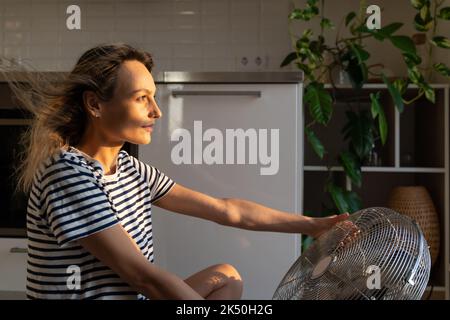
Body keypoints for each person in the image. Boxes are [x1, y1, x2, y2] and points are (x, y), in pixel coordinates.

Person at [6, 43, 349, 300]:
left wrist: (313, 226)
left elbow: (227, 210)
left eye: (154, 97)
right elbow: (144, 278)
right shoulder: (68, 173)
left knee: (226, 277)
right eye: (141, 98)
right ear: (95, 104)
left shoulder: (130, 169)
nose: (156, 111)